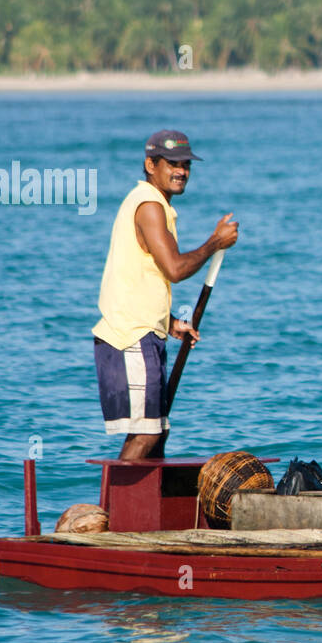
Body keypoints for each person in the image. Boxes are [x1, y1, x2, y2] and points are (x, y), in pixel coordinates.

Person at [92, 130, 238, 459]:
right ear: (150, 164)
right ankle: (113, 510)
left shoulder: (155, 205)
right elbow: (174, 269)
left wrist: (170, 322)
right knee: (146, 435)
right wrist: (215, 242)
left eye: (186, 164)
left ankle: (131, 509)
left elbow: (141, 276)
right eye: (172, 163)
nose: (181, 171)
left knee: (157, 432)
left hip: (145, 332)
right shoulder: (149, 206)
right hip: (129, 336)